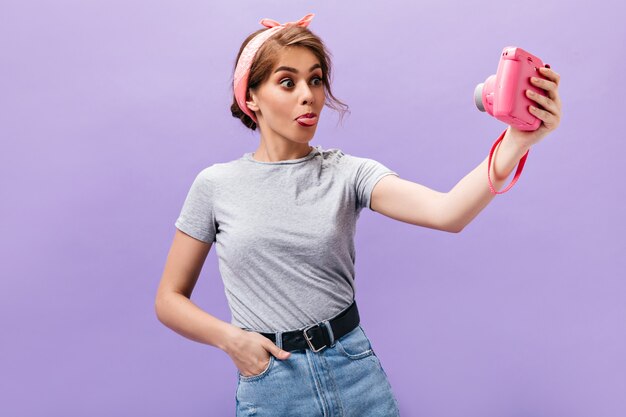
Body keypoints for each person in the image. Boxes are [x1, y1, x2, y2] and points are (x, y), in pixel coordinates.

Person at [155, 13, 562, 417]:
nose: (309, 95)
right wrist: (231, 340)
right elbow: (169, 300)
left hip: (354, 372)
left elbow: (447, 212)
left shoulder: (347, 173)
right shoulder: (215, 185)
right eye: (287, 81)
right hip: (273, 385)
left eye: (315, 80)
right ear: (250, 98)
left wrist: (517, 140)